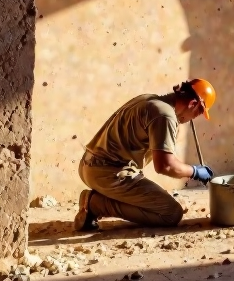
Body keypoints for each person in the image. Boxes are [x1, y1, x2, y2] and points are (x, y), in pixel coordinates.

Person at [73, 79, 218, 231]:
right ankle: (96, 204)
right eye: (200, 112)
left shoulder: (149, 99)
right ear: (193, 104)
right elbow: (165, 166)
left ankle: (98, 199)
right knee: (170, 213)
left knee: (148, 198)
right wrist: (194, 171)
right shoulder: (165, 115)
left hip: (90, 165)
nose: (195, 117)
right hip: (107, 172)